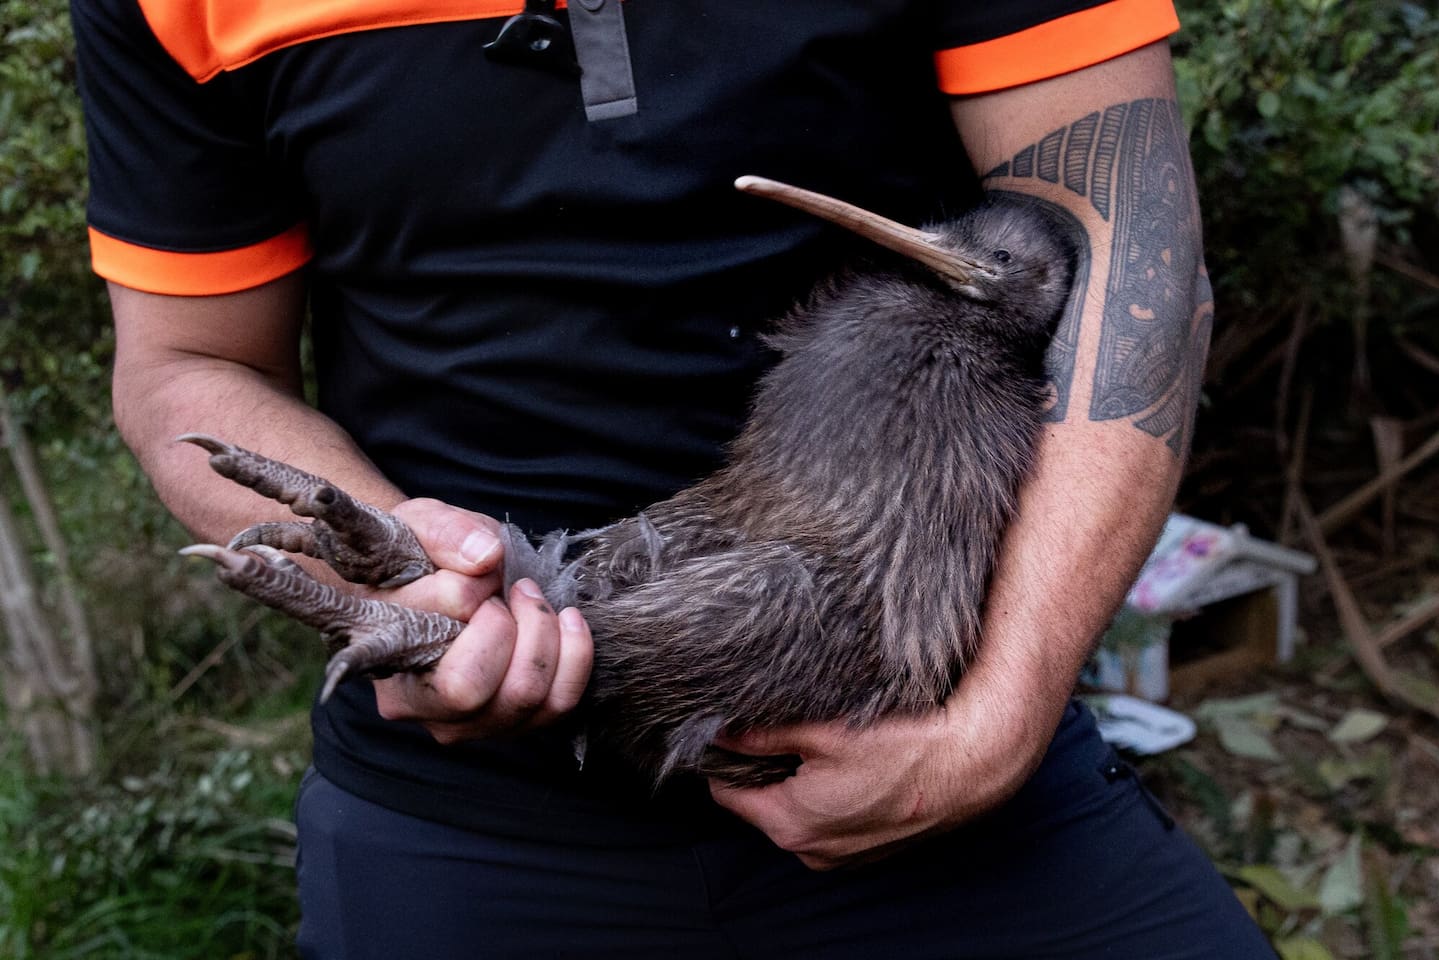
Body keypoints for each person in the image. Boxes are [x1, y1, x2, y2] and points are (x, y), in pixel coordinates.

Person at [73, 0, 1275, 955]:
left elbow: (1133, 256)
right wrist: (417, 566)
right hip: (472, 816)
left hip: (944, 745)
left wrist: (997, 720)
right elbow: (186, 363)